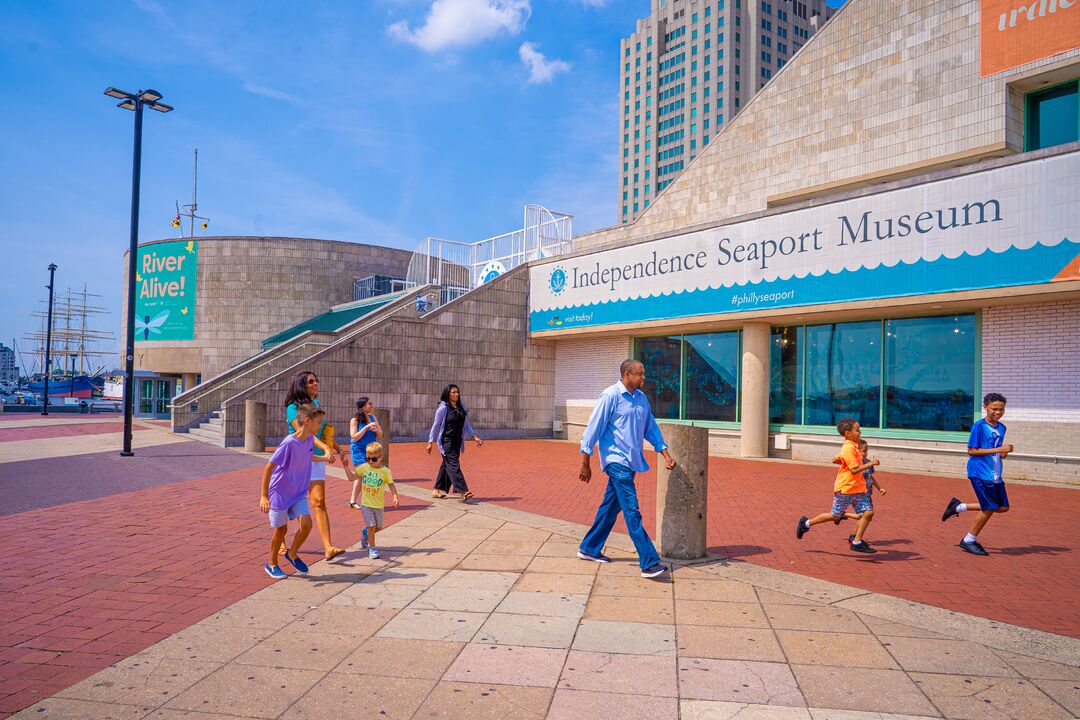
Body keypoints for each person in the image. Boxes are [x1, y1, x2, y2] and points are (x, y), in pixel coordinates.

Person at [577, 359, 677, 579]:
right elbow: (592, 430)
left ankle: (589, 548)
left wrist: (666, 454)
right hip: (616, 462)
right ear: (626, 374)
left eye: (644, 374)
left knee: (610, 508)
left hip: (631, 462)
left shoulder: (641, 400)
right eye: (640, 374)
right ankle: (649, 562)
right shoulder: (610, 396)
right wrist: (586, 463)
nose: (644, 378)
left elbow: (651, 429)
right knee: (632, 510)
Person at [941, 393, 1013, 556]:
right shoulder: (979, 427)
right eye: (994, 409)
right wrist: (998, 449)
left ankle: (958, 507)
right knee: (989, 508)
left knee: (1002, 507)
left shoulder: (1002, 428)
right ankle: (969, 540)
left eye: (1001, 409)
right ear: (985, 407)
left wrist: (1003, 453)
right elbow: (972, 451)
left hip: (995, 474)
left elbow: (993, 449)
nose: (998, 412)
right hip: (979, 472)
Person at [260, 403, 327, 578]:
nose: (320, 426)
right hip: (280, 493)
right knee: (281, 531)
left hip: (298, 492)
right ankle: (272, 563)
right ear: (307, 421)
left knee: (306, 525)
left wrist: (324, 458)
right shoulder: (289, 443)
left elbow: (308, 455)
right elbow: (269, 467)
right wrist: (264, 496)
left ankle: (292, 553)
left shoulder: (310, 439)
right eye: (318, 422)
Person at [795, 418, 881, 554]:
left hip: (858, 489)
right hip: (845, 489)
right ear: (847, 433)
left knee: (868, 512)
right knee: (835, 516)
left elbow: (836, 459)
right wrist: (871, 463)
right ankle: (806, 523)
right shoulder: (848, 448)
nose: (860, 432)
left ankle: (856, 542)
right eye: (857, 430)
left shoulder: (853, 446)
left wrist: (841, 461)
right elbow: (854, 470)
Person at [284, 370, 343, 561]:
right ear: (302, 385)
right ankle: (281, 540)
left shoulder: (316, 404)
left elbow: (321, 430)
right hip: (298, 460)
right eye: (311, 381)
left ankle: (328, 547)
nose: (316, 383)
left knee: (319, 501)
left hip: (316, 458)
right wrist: (326, 448)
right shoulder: (293, 408)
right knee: (287, 503)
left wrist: (339, 449)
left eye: (316, 380)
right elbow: (306, 432)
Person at [426, 384, 483, 502]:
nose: (456, 394)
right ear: (448, 393)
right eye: (453, 392)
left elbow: (466, 424)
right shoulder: (443, 408)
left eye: (457, 392)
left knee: (446, 465)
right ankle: (464, 491)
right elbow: (436, 426)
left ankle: (437, 489)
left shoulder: (461, 408)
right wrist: (430, 441)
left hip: (457, 441)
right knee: (453, 465)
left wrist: (474, 436)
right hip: (446, 441)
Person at [349, 442, 399, 559]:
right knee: (371, 526)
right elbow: (351, 478)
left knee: (378, 527)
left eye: (373, 459)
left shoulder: (385, 471)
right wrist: (346, 466)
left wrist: (395, 496)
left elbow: (391, 485)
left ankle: (366, 533)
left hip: (379, 505)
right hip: (366, 504)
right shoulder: (364, 468)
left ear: (381, 457)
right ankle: (372, 549)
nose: (370, 461)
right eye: (368, 458)